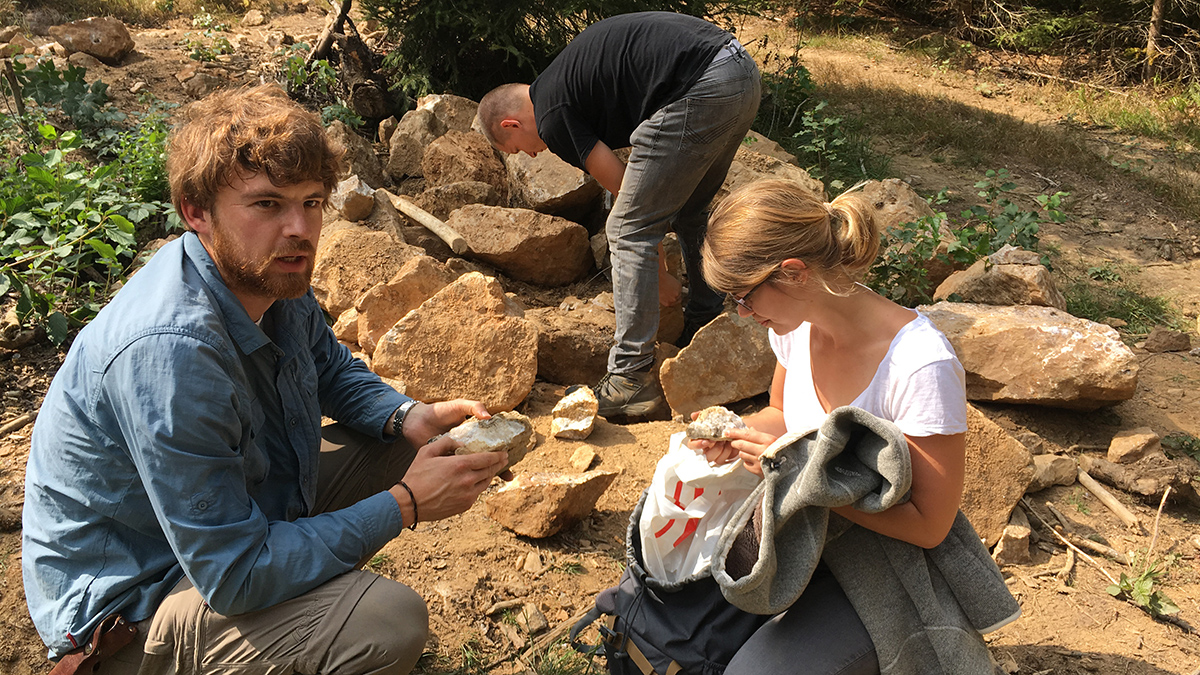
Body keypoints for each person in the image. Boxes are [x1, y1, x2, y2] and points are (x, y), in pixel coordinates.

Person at [22, 85, 509, 675]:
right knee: (386, 624)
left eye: (312, 201)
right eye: (267, 205)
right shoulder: (172, 352)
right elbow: (235, 573)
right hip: (138, 602)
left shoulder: (271, 277)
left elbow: (329, 367)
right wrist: (405, 505)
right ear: (195, 210)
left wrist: (411, 416)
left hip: (215, 530)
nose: (299, 229)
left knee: (405, 444)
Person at [688, 179, 1019, 674]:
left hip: (887, 570)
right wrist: (736, 434)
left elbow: (931, 526)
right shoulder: (796, 328)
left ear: (793, 273)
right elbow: (782, 416)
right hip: (805, 537)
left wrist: (798, 476)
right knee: (673, 609)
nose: (742, 313)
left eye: (743, 297)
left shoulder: (918, 365)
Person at [477, 11, 761, 419]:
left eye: (518, 148)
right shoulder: (564, 83)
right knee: (689, 210)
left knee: (626, 230)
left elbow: (630, 208)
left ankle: (628, 377)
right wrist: (657, 266)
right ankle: (704, 319)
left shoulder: (552, 114)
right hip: (738, 72)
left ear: (511, 123)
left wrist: (659, 271)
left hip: (701, 86)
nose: (531, 154)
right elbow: (633, 190)